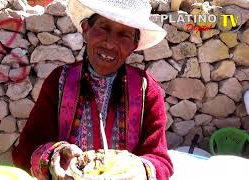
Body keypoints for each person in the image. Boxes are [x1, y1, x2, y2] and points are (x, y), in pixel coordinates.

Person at [12, 0, 174, 179]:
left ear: (133, 46)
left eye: (124, 35)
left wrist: (139, 169)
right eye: (104, 27)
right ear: (86, 29)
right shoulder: (58, 82)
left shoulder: (147, 91)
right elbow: (24, 151)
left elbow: (161, 162)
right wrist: (52, 156)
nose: (110, 43)